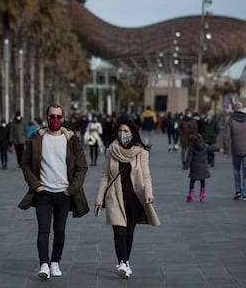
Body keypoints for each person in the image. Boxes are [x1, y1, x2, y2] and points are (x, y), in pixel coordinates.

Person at [20, 104, 89, 280]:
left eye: (59, 116)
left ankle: (55, 262)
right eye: (52, 116)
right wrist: (36, 186)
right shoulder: (37, 139)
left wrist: (71, 189)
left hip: (64, 194)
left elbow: (82, 167)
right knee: (43, 230)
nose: (55, 120)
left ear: (63, 118)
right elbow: (26, 164)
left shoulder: (72, 140)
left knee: (60, 230)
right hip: (43, 193)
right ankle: (44, 264)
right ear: (47, 118)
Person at [94, 118, 161, 279]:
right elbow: (105, 175)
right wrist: (98, 199)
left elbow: (146, 176)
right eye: (120, 131)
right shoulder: (112, 150)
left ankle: (126, 261)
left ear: (132, 133)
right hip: (114, 197)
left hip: (134, 198)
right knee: (119, 232)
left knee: (129, 233)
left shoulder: (141, 152)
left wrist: (149, 193)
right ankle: (122, 263)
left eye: (126, 131)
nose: (122, 134)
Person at [223, 101, 246, 201]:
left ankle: (238, 191)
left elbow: (226, 137)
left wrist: (226, 150)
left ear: (234, 109)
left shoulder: (230, 120)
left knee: (236, 170)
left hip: (236, 149)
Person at [183, 133, 220, 202]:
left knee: (192, 181)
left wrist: (185, 167)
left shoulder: (191, 148)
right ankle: (202, 194)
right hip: (203, 167)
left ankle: (191, 195)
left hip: (194, 167)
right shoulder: (204, 146)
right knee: (202, 181)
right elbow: (212, 148)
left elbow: (189, 159)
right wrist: (219, 149)